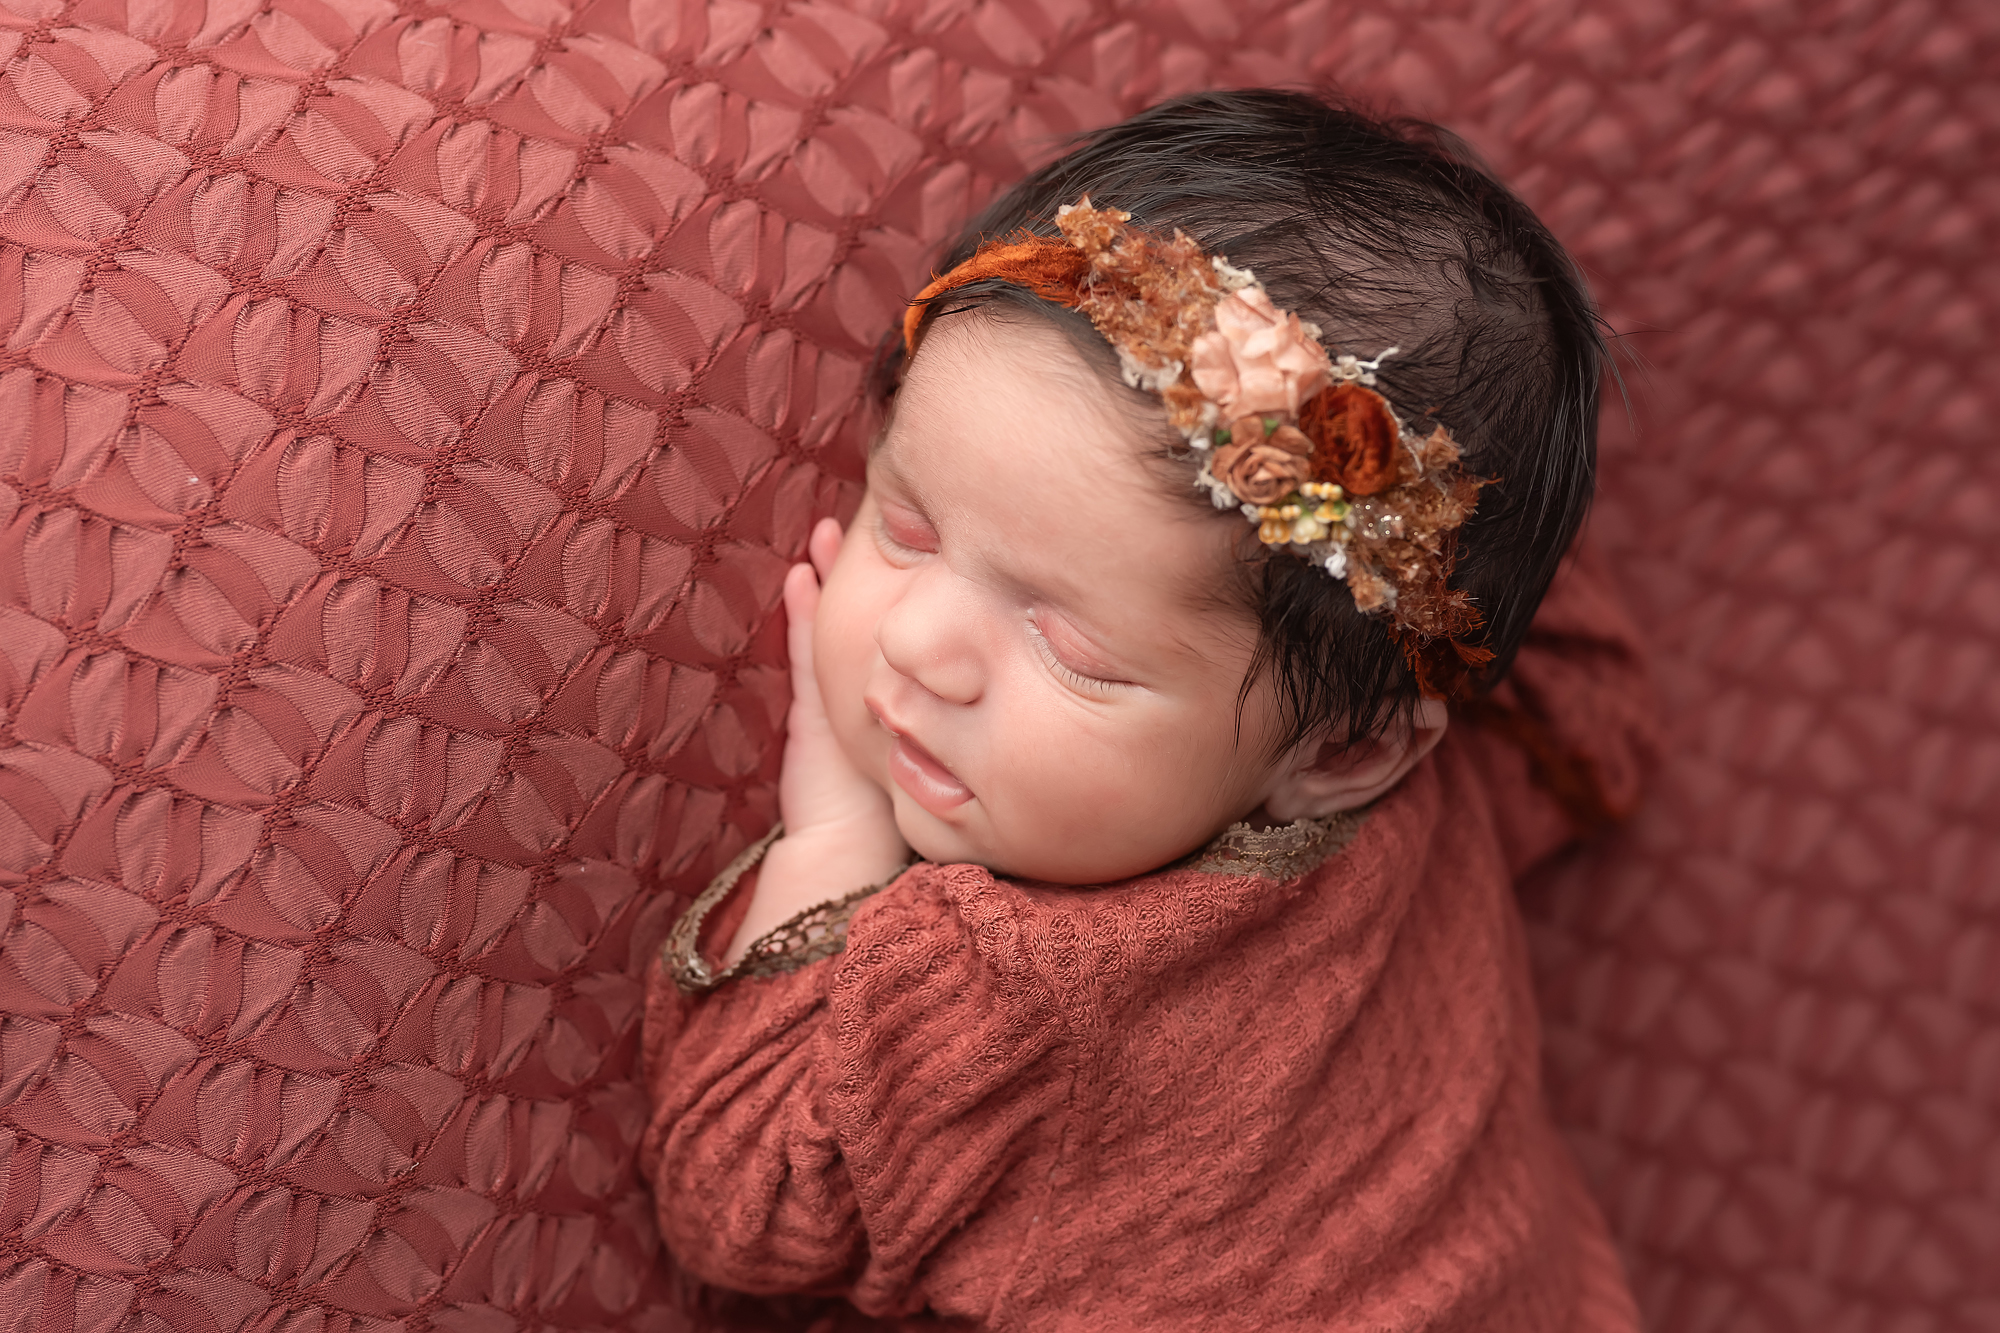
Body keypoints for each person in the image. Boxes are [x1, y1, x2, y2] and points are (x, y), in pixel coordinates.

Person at [639, 89, 1655, 1330]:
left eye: (1068, 649)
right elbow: (1589, 720)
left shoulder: (1003, 987)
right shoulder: (1427, 786)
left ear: (1345, 749)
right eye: (903, 527)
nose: (913, 645)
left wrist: (833, 847)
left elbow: (741, 1202)